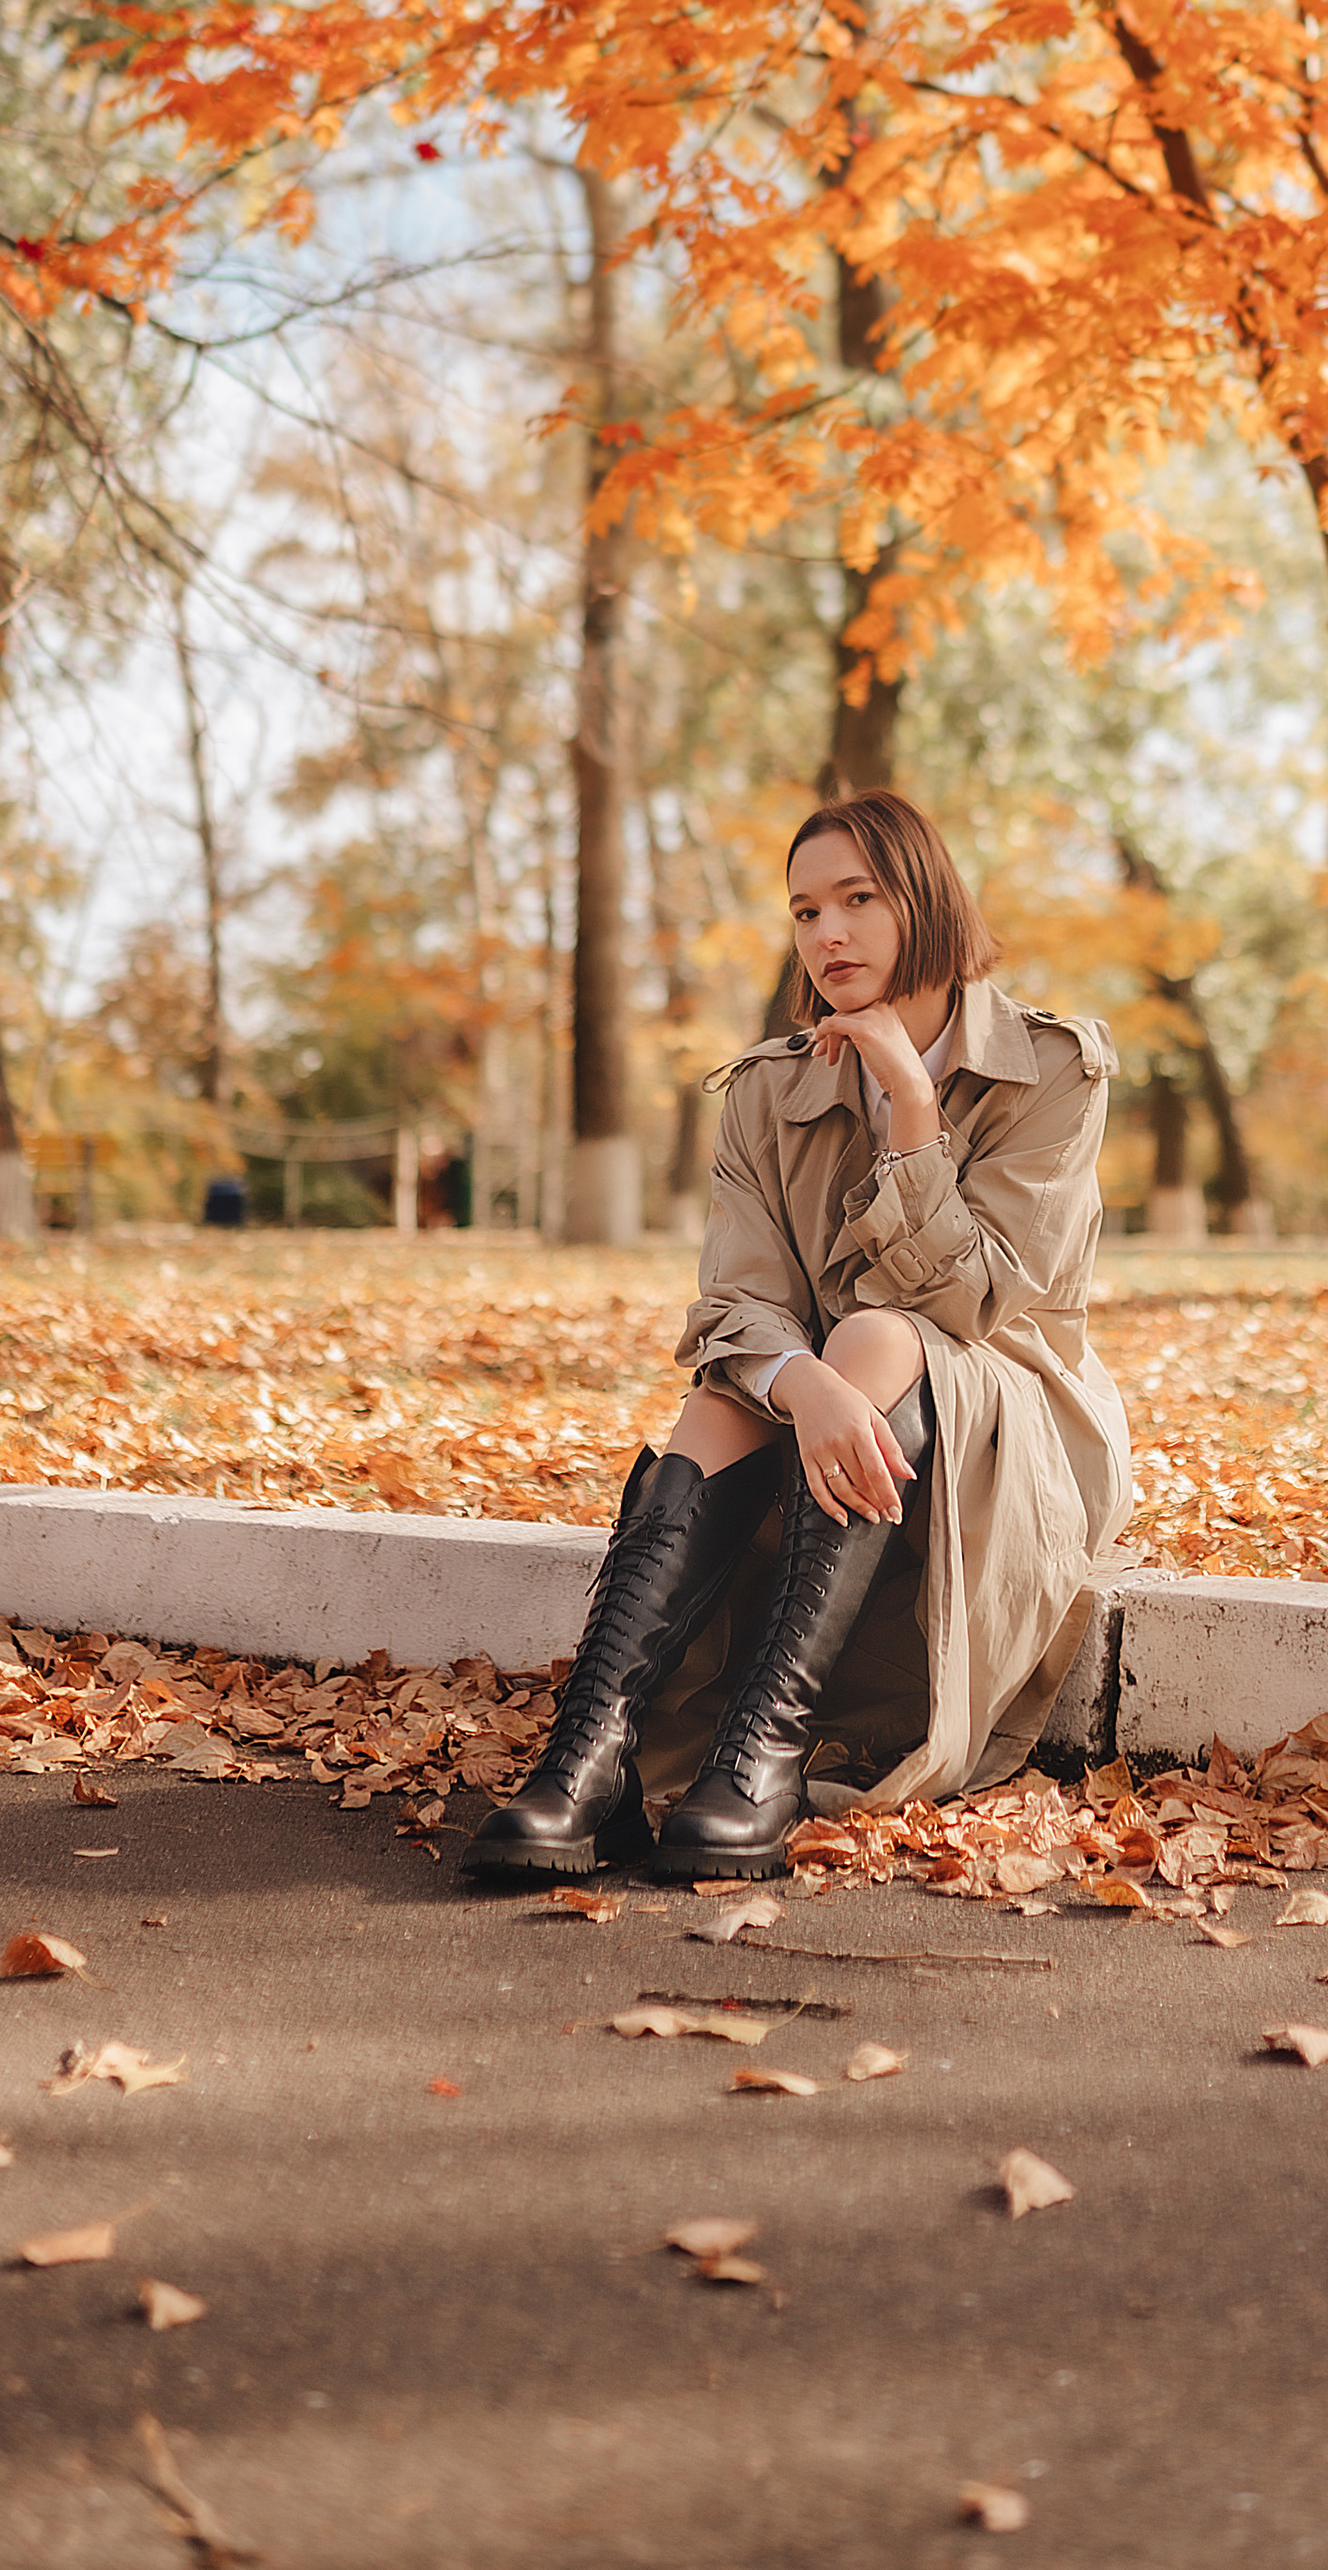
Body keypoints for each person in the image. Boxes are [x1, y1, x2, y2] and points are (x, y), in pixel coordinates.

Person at [467, 791, 1131, 1885]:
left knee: (876, 1333)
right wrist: (806, 1387)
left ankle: (760, 1749)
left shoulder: (1051, 1069)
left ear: (925, 900)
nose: (827, 934)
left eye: (858, 900)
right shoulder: (768, 1088)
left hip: (1016, 1418)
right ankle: (587, 1764)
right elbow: (735, 1303)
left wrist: (913, 1114)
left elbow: (975, 1306)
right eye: (803, 911)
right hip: (840, 1404)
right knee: (728, 1392)